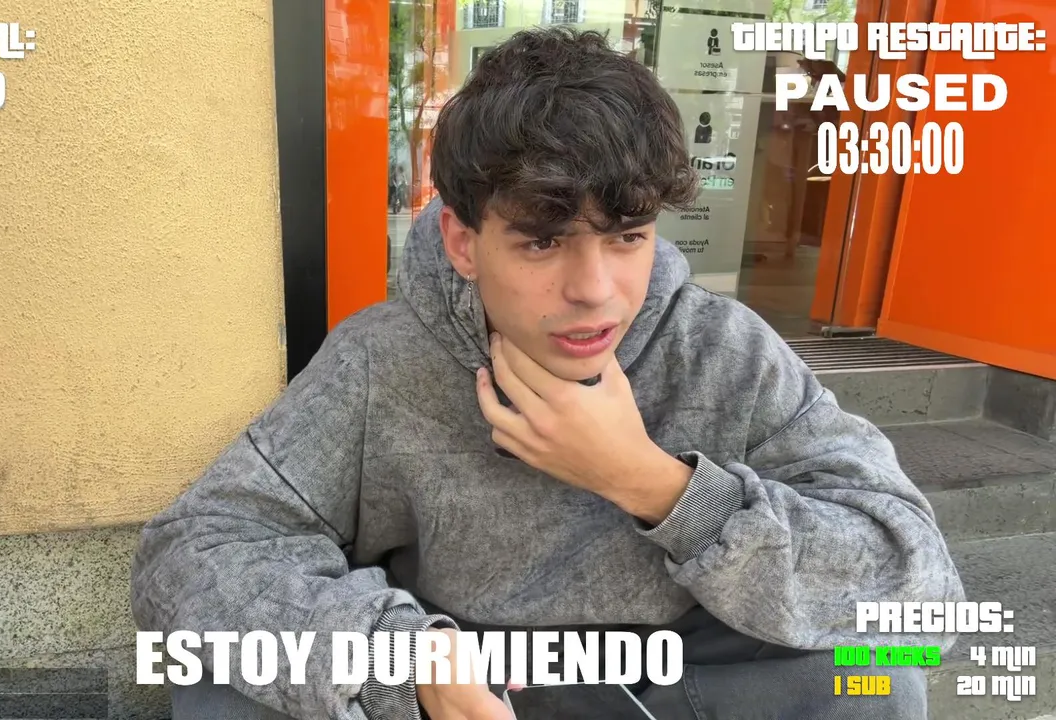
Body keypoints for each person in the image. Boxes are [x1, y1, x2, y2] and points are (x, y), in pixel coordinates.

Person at [131, 27, 964, 720]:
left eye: (627, 236)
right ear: (464, 242)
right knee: (226, 689)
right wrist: (401, 658)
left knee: (878, 674)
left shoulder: (723, 350)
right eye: (542, 241)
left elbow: (921, 593)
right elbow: (191, 554)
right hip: (468, 683)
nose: (595, 290)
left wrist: (655, 484)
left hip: (677, 674)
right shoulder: (382, 359)